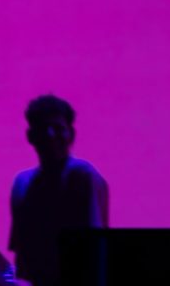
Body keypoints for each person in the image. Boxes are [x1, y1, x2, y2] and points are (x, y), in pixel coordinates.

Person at [9, 95, 109, 286]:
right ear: (30, 136)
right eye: (42, 128)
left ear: (71, 133)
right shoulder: (21, 184)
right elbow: (22, 251)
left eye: (58, 128)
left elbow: (94, 247)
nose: (50, 134)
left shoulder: (82, 176)